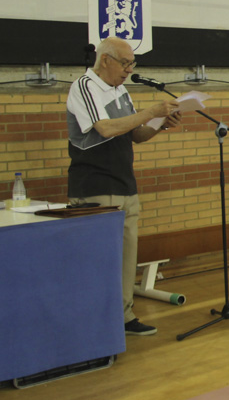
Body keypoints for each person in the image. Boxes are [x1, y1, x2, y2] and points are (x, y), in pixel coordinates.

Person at [67, 37, 181, 336]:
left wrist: (161, 123)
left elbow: (136, 135)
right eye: (126, 63)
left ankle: (124, 316)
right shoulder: (85, 86)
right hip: (96, 185)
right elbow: (104, 128)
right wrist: (150, 112)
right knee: (100, 259)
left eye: (133, 64)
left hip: (125, 185)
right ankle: (96, 321)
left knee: (127, 259)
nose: (129, 70)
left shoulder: (121, 91)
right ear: (106, 60)